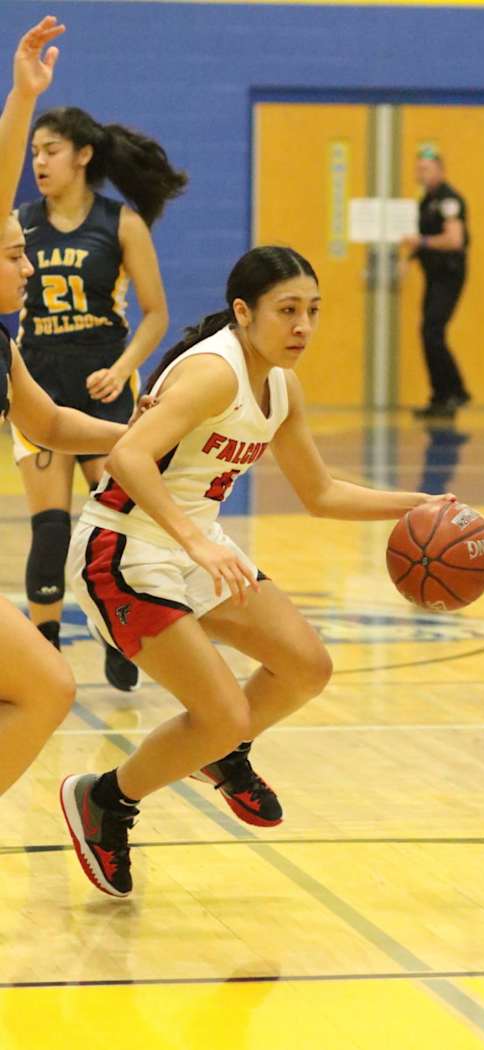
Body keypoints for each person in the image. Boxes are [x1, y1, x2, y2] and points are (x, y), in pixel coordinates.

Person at [59, 244, 457, 897]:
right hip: (122, 549)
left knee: (307, 666)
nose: (302, 327)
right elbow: (128, 457)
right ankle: (104, 799)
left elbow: (321, 493)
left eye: (313, 312)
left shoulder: (279, 386)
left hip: (190, 544)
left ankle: (221, 751)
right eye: (287, 311)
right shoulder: (216, 373)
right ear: (243, 312)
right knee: (220, 713)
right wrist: (194, 539)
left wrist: (418, 506)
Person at [0, 16, 142, 799]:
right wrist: (22, 100)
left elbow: (48, 422)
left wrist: (143, 427)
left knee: (48, 687)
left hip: (90, 384)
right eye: (16, 254)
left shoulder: (1, 346)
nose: (27, 266)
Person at [13, 96, 187, 690]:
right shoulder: (21, 222)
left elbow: (157, 314)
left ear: (83, 156)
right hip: (37, 380)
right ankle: (45, 655)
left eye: (51, 151)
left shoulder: (121, 222)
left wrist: (123, 367)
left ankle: (119, 636)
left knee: (114, 524)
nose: (39, 162)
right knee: (50, 524)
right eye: (34, 151)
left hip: (103, 382)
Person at [402, 147, 470, 420]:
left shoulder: (449, 200)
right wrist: (411, 258)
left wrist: (423, 243)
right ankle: (440, 397)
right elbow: (425, 237)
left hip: (449, 275)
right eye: (419, 169)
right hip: (433, 275)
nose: (422, 174)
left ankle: (456, 391)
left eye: (427, 169)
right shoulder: (425, 201)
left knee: (432, 330)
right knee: (429, 333)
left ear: (441, 171)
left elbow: (455, 240)